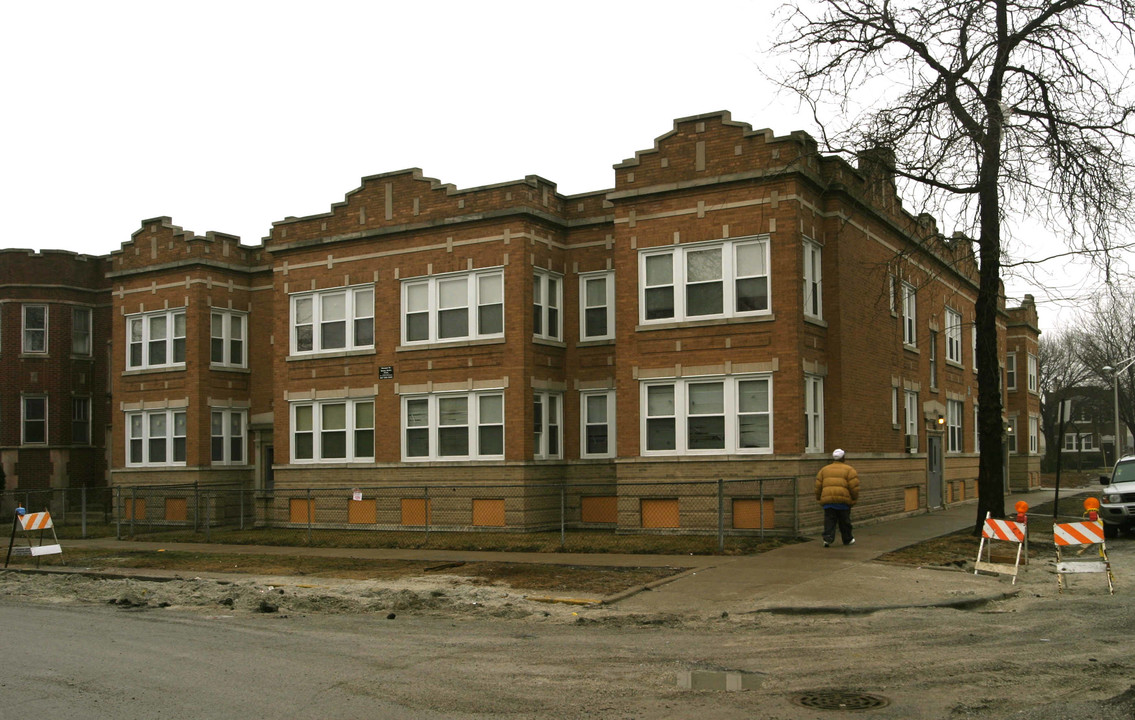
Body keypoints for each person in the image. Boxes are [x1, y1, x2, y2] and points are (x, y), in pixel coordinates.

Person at [815, 448, 859, 547]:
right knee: (845, 521)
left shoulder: (824, 470)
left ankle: (827, 538)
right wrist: (854, 499)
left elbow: (818, 486)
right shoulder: (849, 470)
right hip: (843, 500)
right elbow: (854, 487)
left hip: (828, 501)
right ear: (843, 458)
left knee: (829, 521)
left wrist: (819, 498)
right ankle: (847, 539)